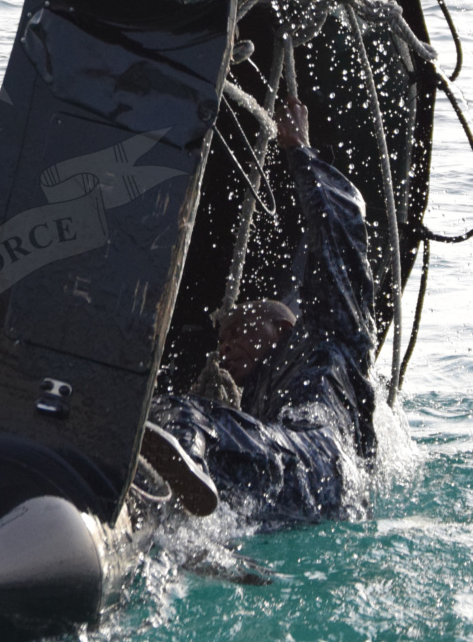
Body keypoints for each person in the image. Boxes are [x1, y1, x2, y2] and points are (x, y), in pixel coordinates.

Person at [149, 95, 378, 525]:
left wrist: (299, 150)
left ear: (283, 326)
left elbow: (342, 233)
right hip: (303, 495)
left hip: (319, 461)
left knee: (185, 417)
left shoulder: (330, 339)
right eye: (223, 340)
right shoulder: (257, 400)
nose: (226, 348)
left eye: (238, 331)